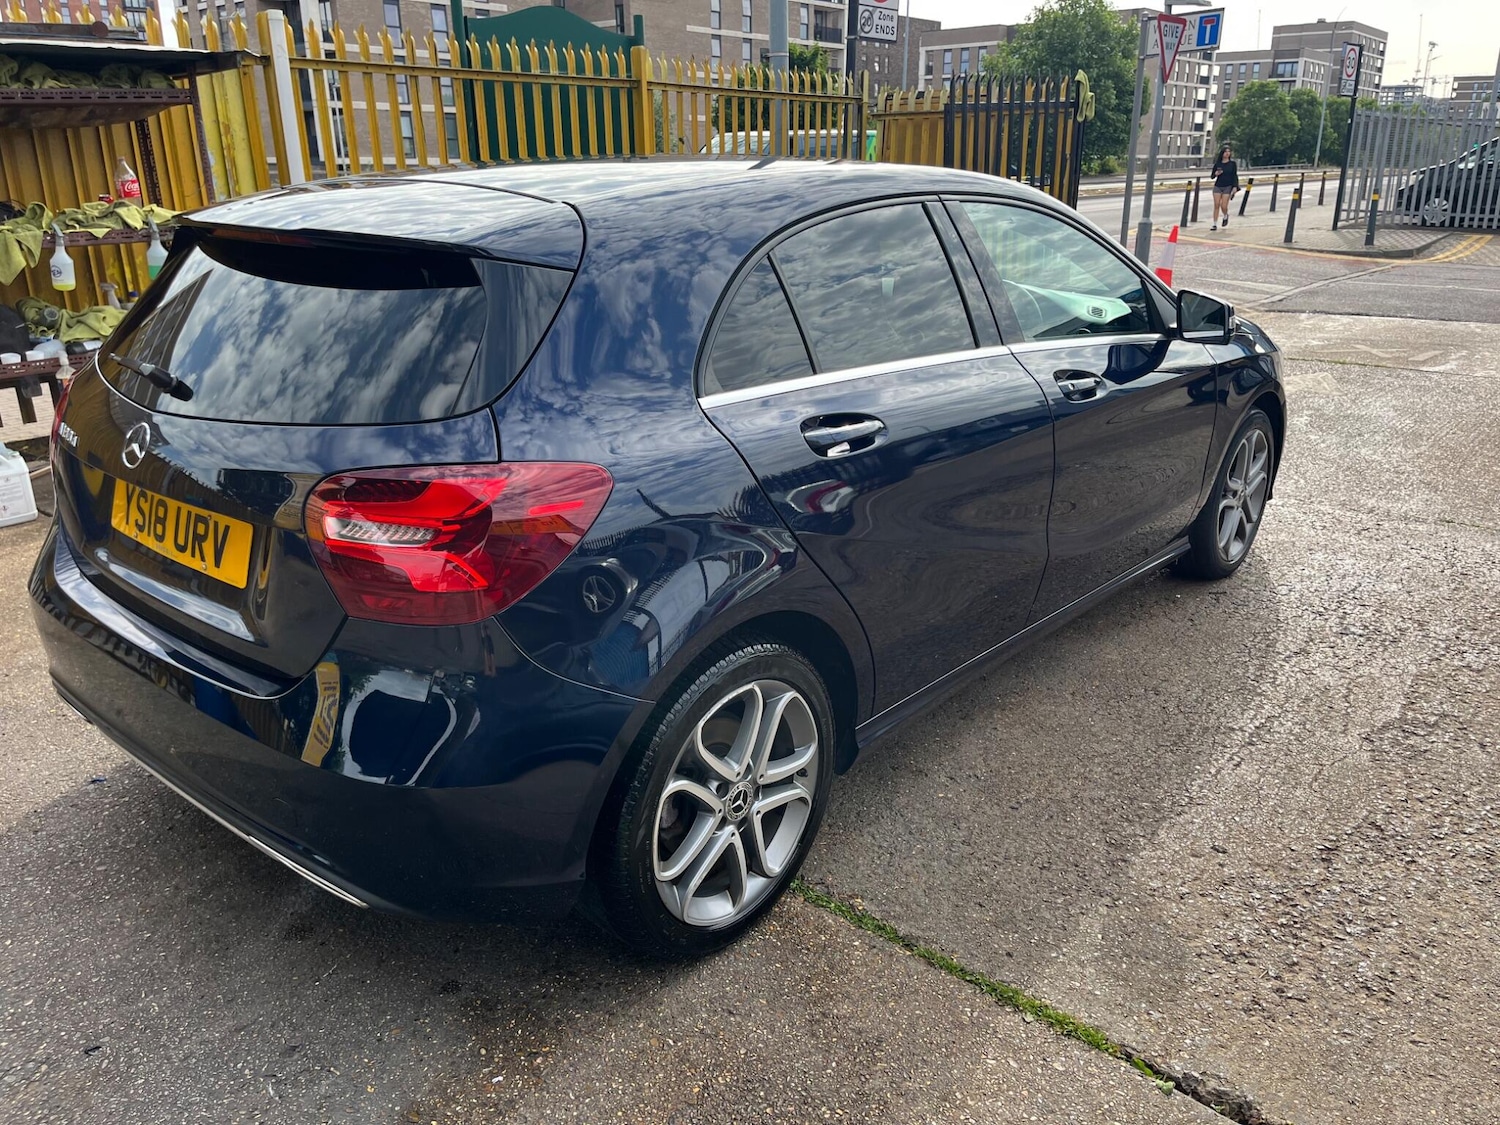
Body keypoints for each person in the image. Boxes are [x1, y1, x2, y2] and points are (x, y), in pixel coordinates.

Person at [1210, 144, 1239, 231]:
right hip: (1218, 185)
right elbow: (1212, 176)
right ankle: (1214, 224)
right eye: (1225, 152)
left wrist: (1235, 187)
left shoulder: (1232, 164)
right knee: (1216, 204)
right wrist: (1216, 174)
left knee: (1224, 205)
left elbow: (1234, 175)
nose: (1227, 153)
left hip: (1228, 186)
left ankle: (1225, 215)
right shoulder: (1218, 164)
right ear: (1222, 153)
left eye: (1229, 152)